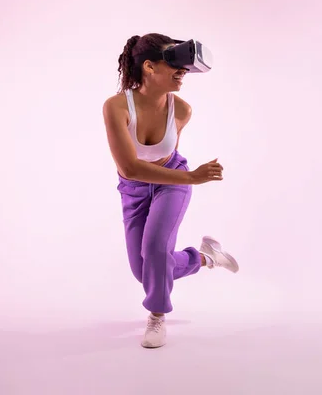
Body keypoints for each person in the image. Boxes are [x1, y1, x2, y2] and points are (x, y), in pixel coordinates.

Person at [102, 33, 239, 349]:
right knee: (144, 272)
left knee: (155, 253)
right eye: (174, 65)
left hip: (172, 181)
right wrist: (195, 177)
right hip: (135, 188)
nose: (182, 73)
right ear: (148, 67)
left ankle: (157, 316)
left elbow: (165, 165)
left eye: (185, 68)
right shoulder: (116, 107)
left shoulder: (182, 111)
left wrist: (186, 179)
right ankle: (205, 257)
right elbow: (130, 168)